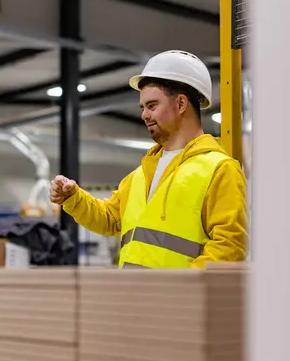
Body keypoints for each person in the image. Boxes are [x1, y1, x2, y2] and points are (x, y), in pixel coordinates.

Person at [50, 50, 247, 268]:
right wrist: (73, 198)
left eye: (152, 105)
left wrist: (181, 292)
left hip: (178, 300)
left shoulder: (220, 170)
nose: (144, 115)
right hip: (138, 298)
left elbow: (228, 247)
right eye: (143, 107)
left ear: (181, 104)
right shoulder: (142, 174)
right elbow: (108, 218)